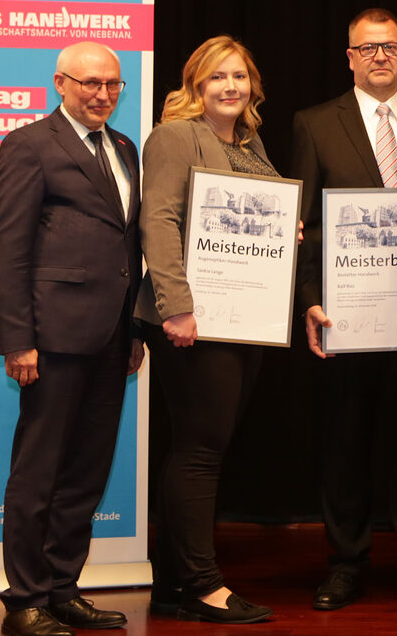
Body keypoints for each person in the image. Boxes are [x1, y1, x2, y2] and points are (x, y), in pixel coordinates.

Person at [288, 7, 397, 610]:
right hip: (344, 316)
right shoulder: (313, 124)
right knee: (345, 444)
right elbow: (300, 226)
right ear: (350, 57)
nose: (380, 56)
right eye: (368, 48)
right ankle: (345, 562)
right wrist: (307, 301)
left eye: (391, 47)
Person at [0, 41, 141, 636]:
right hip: (51, 337)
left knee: (86, 470)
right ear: (60, 82)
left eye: (113, 85)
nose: (102, 94)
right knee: (39, 469)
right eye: (90, 84)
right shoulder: (28, 145)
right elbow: (8, 251)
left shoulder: (126, 149)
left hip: (111, 337)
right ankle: (24, 599)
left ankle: (62, 587)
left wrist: (133, 328)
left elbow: (129, 248)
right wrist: (16, 341)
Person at [137, 35, 280, 624]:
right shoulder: (174, 137)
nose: (230, 87)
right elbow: (160, 218)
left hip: (245, 318)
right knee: (200, 452)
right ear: (196, 86)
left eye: (239, 77)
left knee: (200, 448)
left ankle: (172, 584)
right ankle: (202, 584)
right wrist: (174, 305)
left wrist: (284, 232)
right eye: (217, 77)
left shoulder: (250, 141)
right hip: (194, 317)